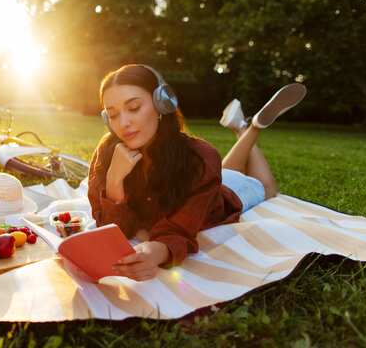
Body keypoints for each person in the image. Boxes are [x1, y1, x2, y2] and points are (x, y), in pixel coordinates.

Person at [87, 64, 306, 281]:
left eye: (134, 108)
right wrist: (115, 179)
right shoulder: (108, 153)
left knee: (267, 189)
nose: (123, 123)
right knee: (222, 171)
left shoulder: (200, 158)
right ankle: (239, 126)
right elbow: (114, 229)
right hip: (209, 179)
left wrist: (157, 250)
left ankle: (253, 127)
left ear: (162, 104)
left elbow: (178, 232)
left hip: (220, 197)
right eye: (113, 114)